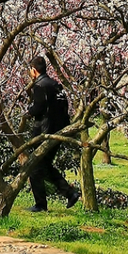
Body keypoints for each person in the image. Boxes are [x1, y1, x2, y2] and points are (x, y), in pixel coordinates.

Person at [25, 55, 79, 213]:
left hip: (44, 131)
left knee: (34, 166)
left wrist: (28, 112)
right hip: (58, 130)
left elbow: (38, 108)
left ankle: (41, 204)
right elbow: (64, 107)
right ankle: (70, 193)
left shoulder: (40, 86)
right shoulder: (57, 85)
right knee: (45, 165)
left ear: (34, 71)